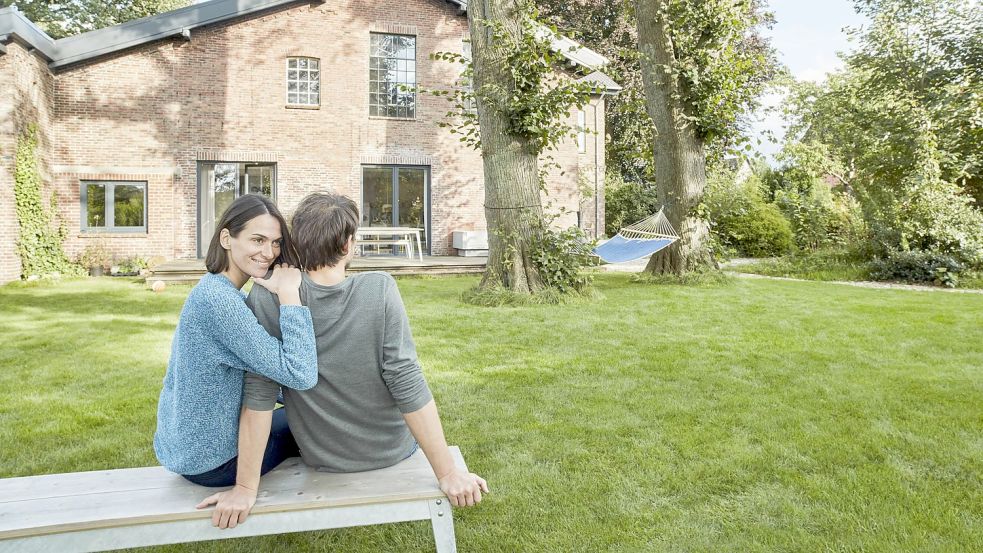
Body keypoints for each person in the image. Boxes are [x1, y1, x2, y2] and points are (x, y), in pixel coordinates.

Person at [198, 192, 488, 529]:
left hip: (323, 455)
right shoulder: (379, 289)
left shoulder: (268, 295)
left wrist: (245, 488)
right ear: (348, 245)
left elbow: (259, 397)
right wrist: (449, 473)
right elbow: (406, 380)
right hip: (391, 449)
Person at [154, 194, 319, 488]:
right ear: (227, 239)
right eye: (258, 240)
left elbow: (268, 373)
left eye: (276, 242)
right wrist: (289, 294)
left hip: (188, 450)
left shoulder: (217, 291)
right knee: (326, 421)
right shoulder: (221, 303)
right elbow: (300, 373)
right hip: (215, 462)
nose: (269, 252)